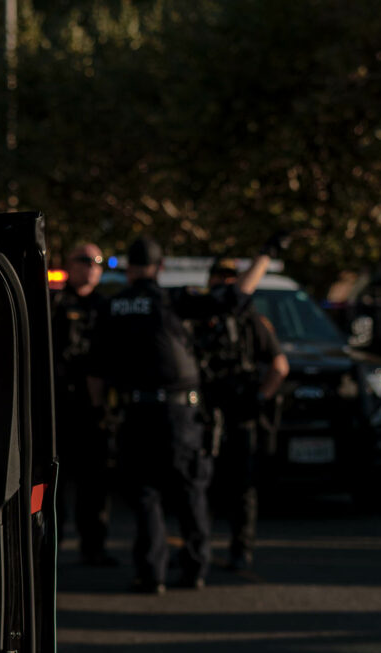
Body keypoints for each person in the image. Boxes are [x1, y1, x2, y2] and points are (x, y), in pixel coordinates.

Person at [87, 236, 270, 592]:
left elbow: (95, 372)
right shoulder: (171, 300)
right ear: (161, 267)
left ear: (128, 270)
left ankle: (151, 574)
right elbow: (235, 297)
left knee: (145, 494)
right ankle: (195, 569)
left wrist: (100, 414)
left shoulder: (112, 307)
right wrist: (264, 255)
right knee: (190, 489)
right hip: (179, 413)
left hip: (136, 413)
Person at [197, 257, 290, 573]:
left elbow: (280, 367)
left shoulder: (253, 321)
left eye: (229, 278)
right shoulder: (199, 318)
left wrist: (260, 397)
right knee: (210, 487)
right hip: (209, 413)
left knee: (238, 488)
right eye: (219, 277)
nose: (223, 284)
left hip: (237, 413)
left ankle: (235, 550)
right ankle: (208, 550)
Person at [53, 242, 114, 565]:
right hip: (58, 407)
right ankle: (50, 548)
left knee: (95, 483)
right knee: (55, 484)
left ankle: (94, 547)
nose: (91, 266)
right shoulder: (53, 303)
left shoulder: (107, 306)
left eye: (97, 261)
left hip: (94, 410)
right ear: (69, 264)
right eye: (84, 260)